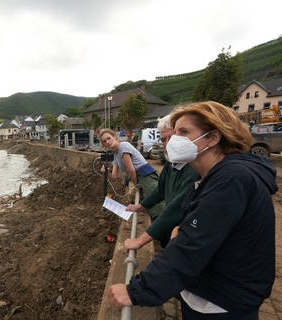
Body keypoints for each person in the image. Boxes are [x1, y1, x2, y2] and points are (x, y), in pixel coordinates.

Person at [108, 101, 277, 320]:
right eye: (172, 134)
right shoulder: (211, 176)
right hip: (213, 291)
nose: (173, 141)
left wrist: (136, 290)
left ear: (213, 138)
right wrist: (184, 228)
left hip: (220, 303)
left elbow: (191, 246)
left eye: (183, 132)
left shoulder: (232, 179)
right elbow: (196, 227)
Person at [124, 115, 199, 249]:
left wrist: (140, 241)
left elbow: (176, 208)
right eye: (164, 139)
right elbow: (160, 190)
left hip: (185, 230)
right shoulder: (171, 164)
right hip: (173, 226)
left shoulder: (194, 169)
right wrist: (142, 206)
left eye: (172, 138)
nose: (168, 144)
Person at [99, 128, 163, 220]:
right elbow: (114, 176)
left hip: (146, 176)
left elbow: (131, 170)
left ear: (114, 137)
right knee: (151, 208)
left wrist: (135, 185)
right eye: (104, 141)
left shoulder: (123, 146)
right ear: (104, 145)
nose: (107, 142)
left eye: (109, 138)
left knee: (158, 208)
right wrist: (106, 171)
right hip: (139, 179)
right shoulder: (116, 156)